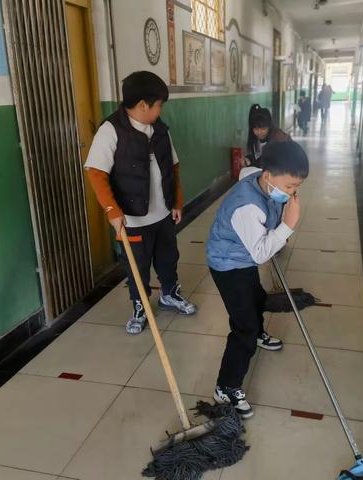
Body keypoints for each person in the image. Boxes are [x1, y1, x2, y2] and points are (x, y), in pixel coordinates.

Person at [85, 71, 197, 335]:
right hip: (132, 220)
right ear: (143, 105)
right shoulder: (111, 130)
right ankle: (140, 305)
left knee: (168, 258)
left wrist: (177, 202)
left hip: (163, 214)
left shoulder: (160, 129)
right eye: (159, 105)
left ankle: (170, 294)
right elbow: (96, 173)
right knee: (137, 267)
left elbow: (174, 167)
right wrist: (112, 212)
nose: (161, 110)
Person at [207, 141, 309, 418]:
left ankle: (259, 333)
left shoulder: (259, 176)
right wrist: (288, 224)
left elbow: (244, 173)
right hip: (228, 264)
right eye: (289, 186)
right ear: (268, 176)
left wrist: (282, 212)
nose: (292, 192)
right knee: (244, 327)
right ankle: (225, 387)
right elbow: (261, 251)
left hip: (243, 259)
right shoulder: (246, 208)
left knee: (255, 297)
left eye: (297, 186)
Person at [243, 104, 291, 169]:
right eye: (256, 129)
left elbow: (283, 163)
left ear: (269, 126)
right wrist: (249, 160)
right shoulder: (255, 139)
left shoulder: (279, 139)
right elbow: (260, 157)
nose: (259, 132)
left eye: (263, 129)